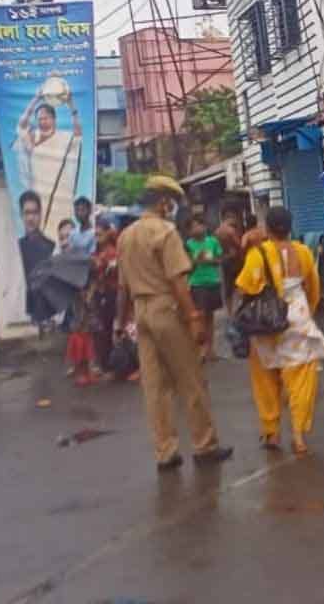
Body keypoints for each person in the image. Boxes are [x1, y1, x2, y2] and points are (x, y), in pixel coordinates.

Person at [115, 175, 233, 471]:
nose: (172, 208)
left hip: (141, 312)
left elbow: (122, 288)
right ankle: (205, 445)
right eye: (171, 202)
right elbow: (177, 281)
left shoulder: (125, 236)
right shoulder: (165, 232)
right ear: (163, 202)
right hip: (166, 308)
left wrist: (120, 322)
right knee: (190, 378)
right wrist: (194, 317)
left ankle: (165, 452)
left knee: (155, 387)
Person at [236, 207, 324, 455]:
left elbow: (246, 286)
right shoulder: (303, 252)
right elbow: (314, 288)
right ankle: (298, 435)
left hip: (266, 323)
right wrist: (308, 310)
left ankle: (272, 431)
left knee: (265, 379)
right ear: (290, 227)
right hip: (297, 318)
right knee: (301, 378)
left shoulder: (258, 254)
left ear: (266, 227)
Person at [13, 92, 84, 233]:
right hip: (40, 195)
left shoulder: (64, 137)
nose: (42, 122)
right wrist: (36, 98)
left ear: (54, 119)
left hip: (61, 195)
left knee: (62, 233)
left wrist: (71, 105)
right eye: (39, 119)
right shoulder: (33, 138)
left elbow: (78, 134)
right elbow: (21, 125)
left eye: (45, 118)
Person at [185, 215, 224, 360]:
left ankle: (210, 349)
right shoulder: (188, 245)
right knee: (199, 317)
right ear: (189, 231)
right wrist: (196, 260)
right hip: (197, 283)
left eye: (199, 225)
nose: (197, 229)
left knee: (210, 317)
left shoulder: (212, 241)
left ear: (205, 226)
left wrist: (211, 259)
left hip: (212, 281)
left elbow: (219, 259)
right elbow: (186, 267)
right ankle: (200, 349)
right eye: (193, 227)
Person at [17, 190, 56, 324]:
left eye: (34, 212)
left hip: (47, 313)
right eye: (27, 213)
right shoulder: (17, 247)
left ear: (40, 214)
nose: (31, 218)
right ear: (21, 215)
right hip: (24, 314)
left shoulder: (51, 246)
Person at [90, 216, 121, 380]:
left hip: (110, 294)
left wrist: (106, 266)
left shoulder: (113, 252)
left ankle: (108, 365)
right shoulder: (97, 251)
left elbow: (114, 272)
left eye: (100, 229)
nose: (97, 231)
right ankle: (102, 364)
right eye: (96, 228)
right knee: (100, 331)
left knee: (107, 330)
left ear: (109, 232)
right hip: (99, 294)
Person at [216, 210, 245, 309]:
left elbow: (217, 248)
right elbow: (239, 245)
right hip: (235, 261)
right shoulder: (231, 231)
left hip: (224, 260)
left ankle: (229, 312)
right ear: (231, 218)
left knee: (228, 288)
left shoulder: (218, 231)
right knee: (240, 285)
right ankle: (240, 309)